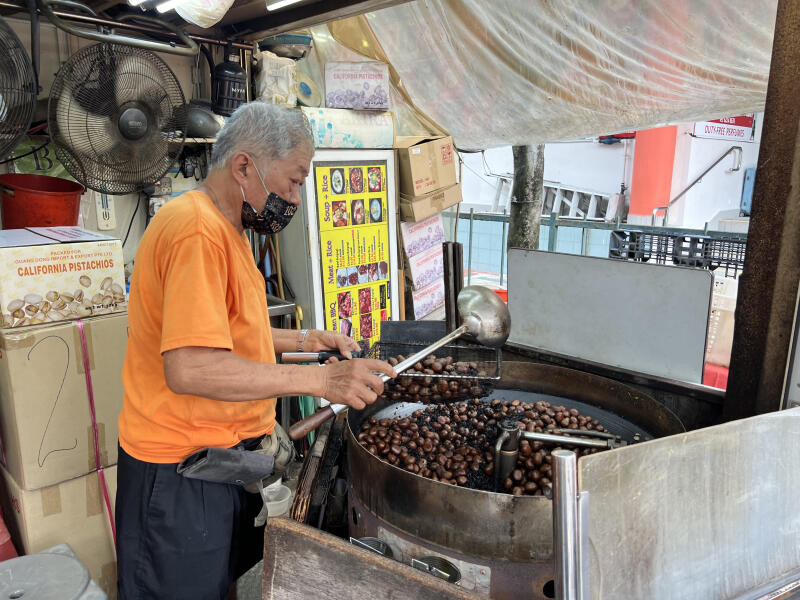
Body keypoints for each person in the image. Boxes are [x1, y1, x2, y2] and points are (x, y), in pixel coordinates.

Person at [115, 101, 396, 600]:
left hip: (217, 464)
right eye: (291, 182)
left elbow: (228, 335)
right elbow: (191, 367)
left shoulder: (227, 226)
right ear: (244, 166)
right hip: (178, 472)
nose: (294, 197)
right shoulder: (196, 231)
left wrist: (307, 343)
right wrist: (321, 381)